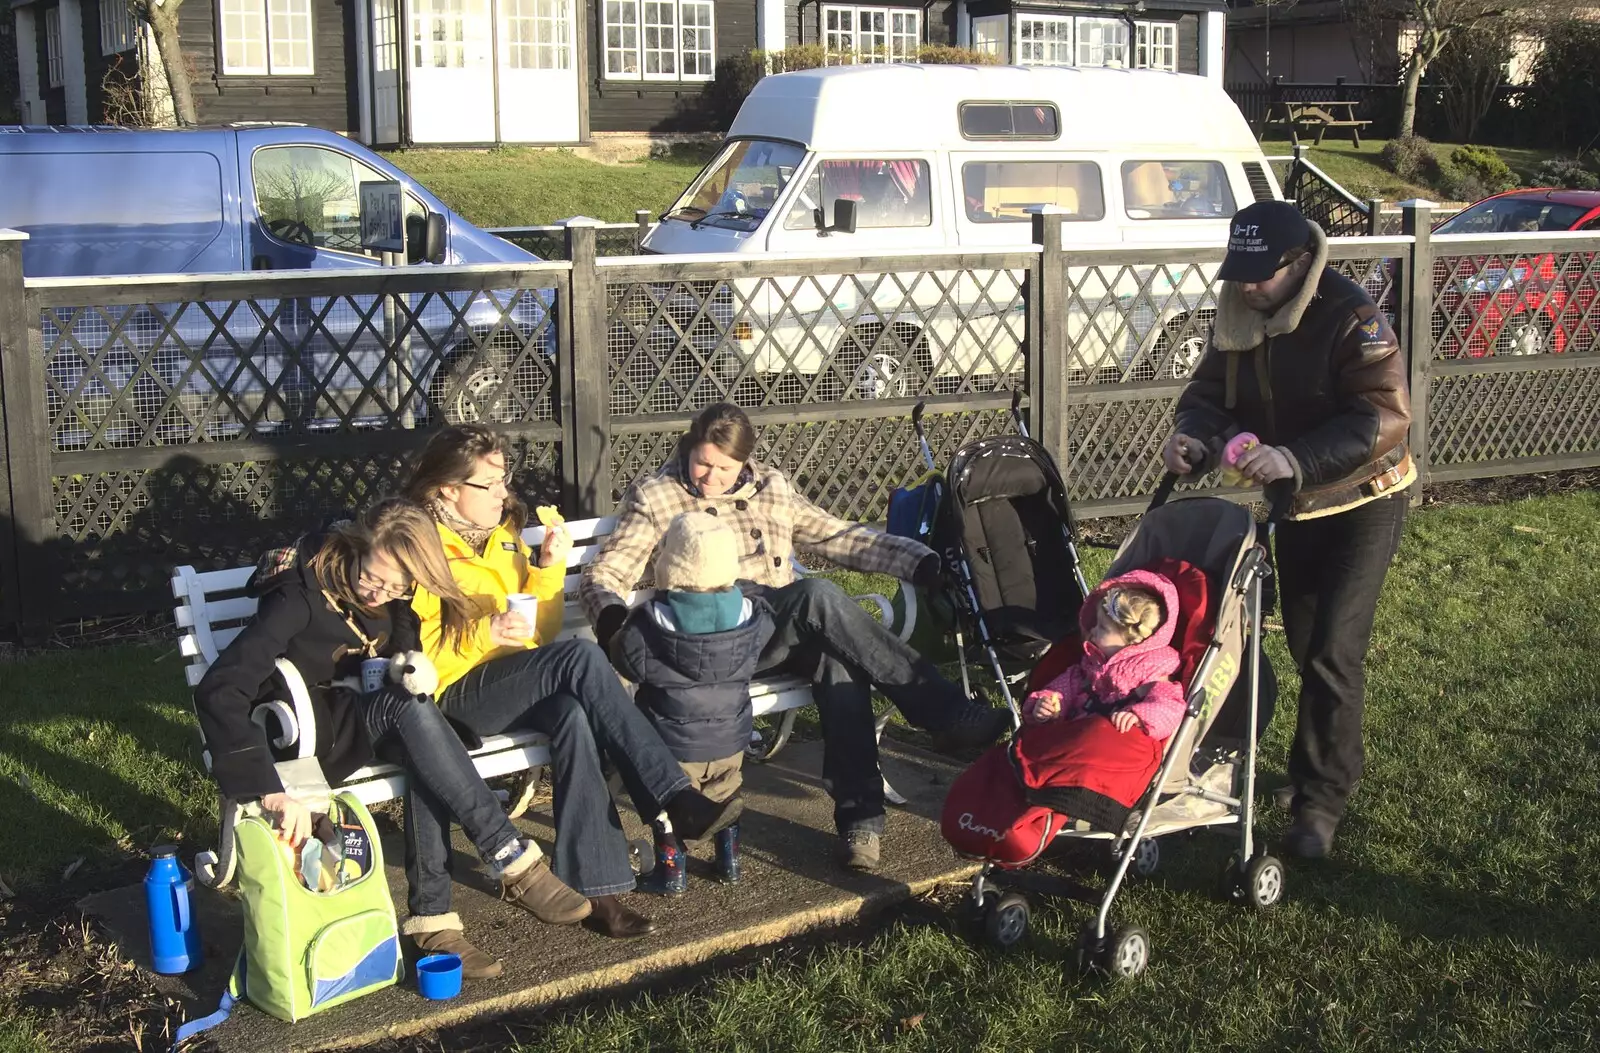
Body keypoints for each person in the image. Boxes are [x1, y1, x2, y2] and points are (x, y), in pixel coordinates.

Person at [582, 402, 1011, 873]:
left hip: (768, 632)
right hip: (708, 642)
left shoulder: (773, 488)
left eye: (724, 468)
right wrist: (612, 624)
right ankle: (942, 711)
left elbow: (836, 536)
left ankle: (860, 823)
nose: (710, 477)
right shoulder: (658, 495)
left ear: (746, 462)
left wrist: (919, 560)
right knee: (818, 596)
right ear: (688, 448)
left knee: (837, 658)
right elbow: (606, 573)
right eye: (702, 462)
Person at [193, 498, 591, 981]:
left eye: (400, 585)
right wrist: (267, 786)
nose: (382, 593)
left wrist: (409, 663)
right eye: (372, 578)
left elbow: (405, 650)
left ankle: (435, 926)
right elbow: (222, 687)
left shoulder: (399, 596)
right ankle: (512, 860)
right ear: (357, 546)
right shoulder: (298, 596)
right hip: (309, 733)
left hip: (372, 716)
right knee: (414, 717)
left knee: (422, 733)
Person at [403, 424, 743, 940]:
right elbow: (416, 658)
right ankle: (674, 795)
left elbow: (541, 632)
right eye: (489, 485)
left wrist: (544, 569)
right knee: (582, 659)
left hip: (507, 682)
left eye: (504, 480)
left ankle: (599, 892)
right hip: (447, 696)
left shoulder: (501, 536)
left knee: (574, 714)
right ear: (449, 488)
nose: (503, 493)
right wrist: (483, 632)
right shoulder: (417, 546)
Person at [1161, 199, 1413, 859]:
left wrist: (1296, 459)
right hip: (1296, 500)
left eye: (1262, 275)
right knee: (1306, 643)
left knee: (1334, 646)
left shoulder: (1351, 317)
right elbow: (1206, 396)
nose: (1248, 287)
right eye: (1240, 272)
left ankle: (1320, 801)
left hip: (1364, 495)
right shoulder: (1240, 309)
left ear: (1301, 263)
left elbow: (1384, 416)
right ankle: (1329, 763)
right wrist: (1194, 438)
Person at [610, 511, 777, 893]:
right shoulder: (752, 617)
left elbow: (627, 660)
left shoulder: (651, 623)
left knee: (669, 805)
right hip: (732, 737)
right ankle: (729, 861)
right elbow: (764, 644)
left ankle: (671, 874)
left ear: (671, 564)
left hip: (671, 742)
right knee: (726, 792)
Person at [1018, 572, 1186, 830]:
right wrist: (1047, 704)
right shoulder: (1088, 667)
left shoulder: (1153, 673)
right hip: (1074, 748)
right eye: (1095, 625)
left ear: (1135, 640)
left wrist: (1140, 714)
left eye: (1103, 629)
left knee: (1095, 735)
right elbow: (1061, 689)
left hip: (1111, 756)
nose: (1093, 633)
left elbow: (1169, 705)